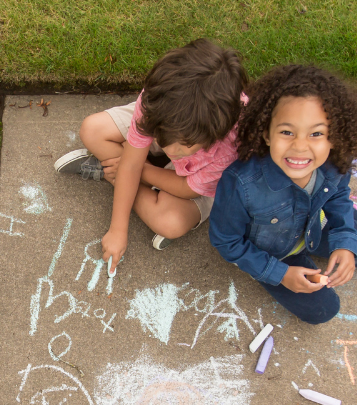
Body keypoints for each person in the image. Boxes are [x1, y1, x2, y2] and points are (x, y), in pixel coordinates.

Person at [208, 64, 357, 324]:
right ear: (266, 133)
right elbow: (226, 241)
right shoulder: (241, 183)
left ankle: (342, 238)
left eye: (316, 134)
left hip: (313, 227)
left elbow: (337, 197)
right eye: (287, 132)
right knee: (323, 310)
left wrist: (345, 240)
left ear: (333, 137)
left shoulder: (333, 162)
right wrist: (279, 273)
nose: (300, 147)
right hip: (277, 252)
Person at [54, 38, 248, 261]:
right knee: (93, 130)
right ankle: (124, 174)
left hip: (196, 180)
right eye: (163, 139)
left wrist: (139, 169)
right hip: (172, 130)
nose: (171, 150)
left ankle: (110, 171)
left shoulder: (229, 143)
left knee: (171, 223)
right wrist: (118, 229)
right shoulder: (159, 100)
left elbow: (188, 189)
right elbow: (136, 160)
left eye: (184, 144)